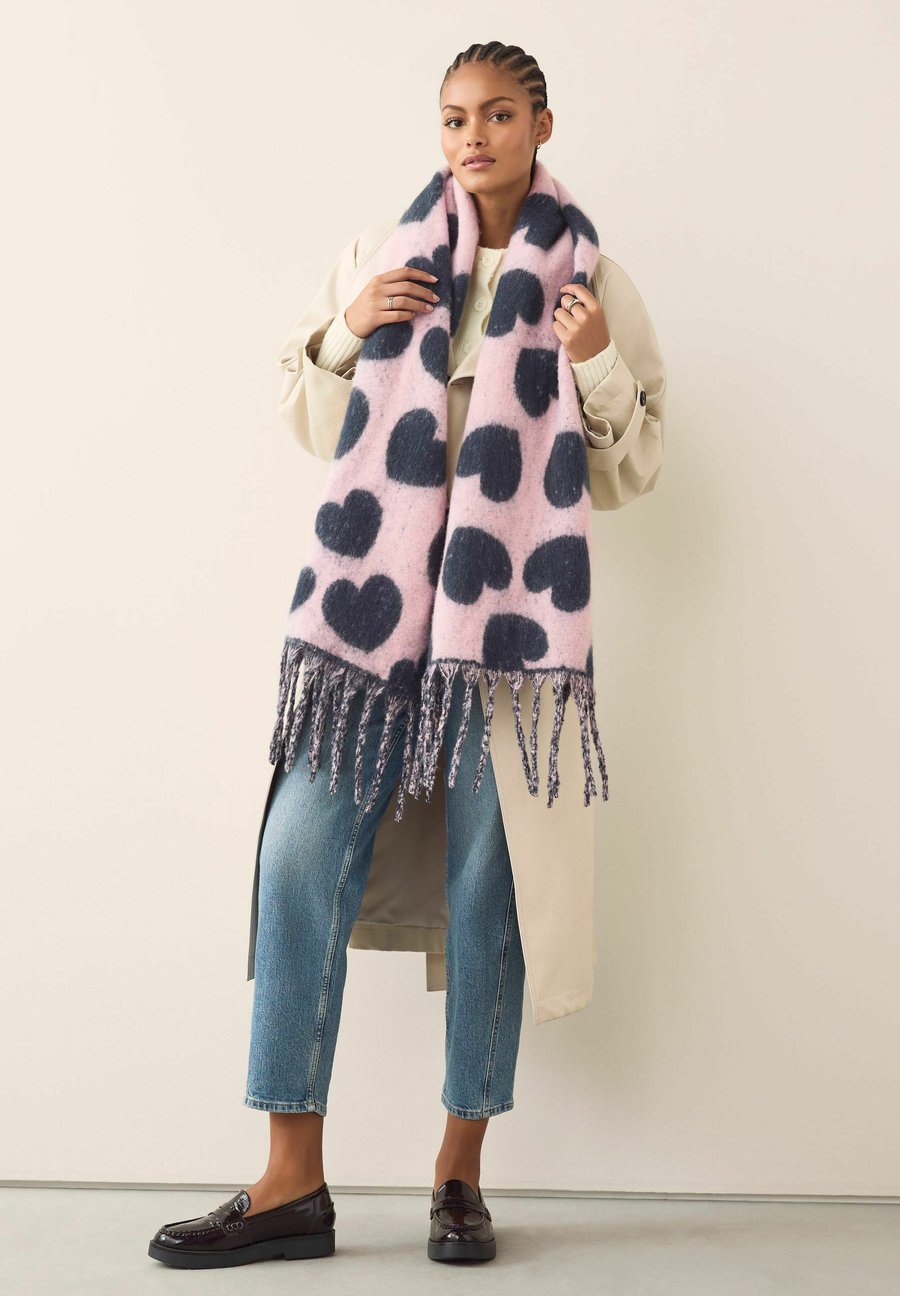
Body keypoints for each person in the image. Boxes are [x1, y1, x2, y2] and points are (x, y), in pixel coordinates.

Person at [148, 39, 665, 1271]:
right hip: (368, 636)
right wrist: (345, 327)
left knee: (490, 893)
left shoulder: (592, 280)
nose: (473, 136)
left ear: (542, 125)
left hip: (506, 648)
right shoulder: (388, 257)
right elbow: (317, 423)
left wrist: (594, 359)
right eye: (453, 117)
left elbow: (633, 467)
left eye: (498, 114)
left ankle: (458, 1172)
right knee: (298, 854)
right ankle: (290, 1182)